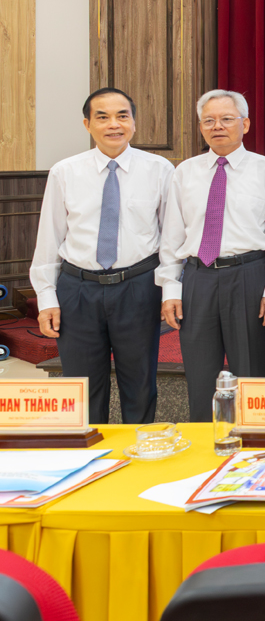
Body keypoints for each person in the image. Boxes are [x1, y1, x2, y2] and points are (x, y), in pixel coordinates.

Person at [31, 88, 174, 424]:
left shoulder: (159, 169)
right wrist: (46, 297)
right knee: (82, 387)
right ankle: (90, 451)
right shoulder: (65, 171)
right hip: (78, 289)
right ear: (87, 124)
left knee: (140, 384)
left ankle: (139, 450)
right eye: (103, 117)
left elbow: (170, 239)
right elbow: (49, 237)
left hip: (138, 286)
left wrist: (170, 290)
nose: (114, 124)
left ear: (134, 123)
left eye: (122, 116)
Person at [159, 90, 265, 422]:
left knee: (250, 370)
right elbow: (172, 236)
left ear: (245, 124)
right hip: (197, 278)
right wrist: (170, 288)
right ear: (200, 127)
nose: (218, 126)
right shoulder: (185, 172)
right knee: (200, 374)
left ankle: (254, 440)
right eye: (209, 120)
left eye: (227, 119)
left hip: (248, 276)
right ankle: (204, 441)